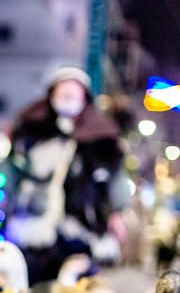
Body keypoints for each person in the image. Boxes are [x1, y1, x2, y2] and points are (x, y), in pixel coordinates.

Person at [8, 66, 126, 281]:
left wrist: (117, 213)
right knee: (36, 287)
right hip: (36, 227)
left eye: (74, 91)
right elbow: (14, 175)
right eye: (63, 91)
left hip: (82, 227)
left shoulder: (102, 140)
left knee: (77, 290)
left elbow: (114, 180)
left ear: (84, 97)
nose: (68, 95)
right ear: (52, 95)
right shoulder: (31, 132)